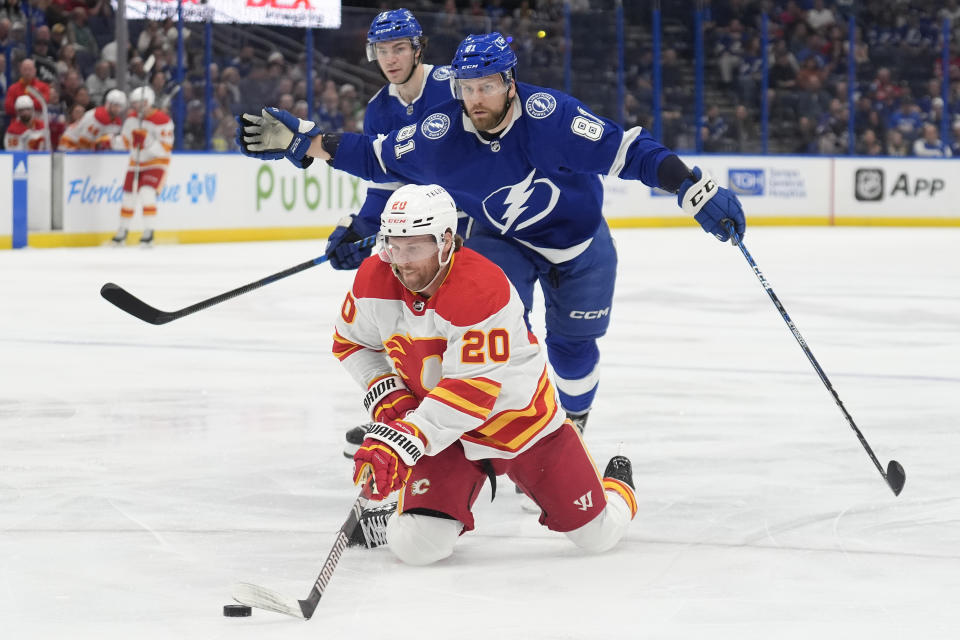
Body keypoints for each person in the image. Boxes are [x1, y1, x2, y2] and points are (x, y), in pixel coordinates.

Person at [237, 32, 746, 440]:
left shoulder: (554, 118)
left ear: (509, 82)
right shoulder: (440, 132)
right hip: (503, 242)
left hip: (580, 243)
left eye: (487, 86)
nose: (475, 98)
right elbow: (374, 156)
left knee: (573, 348)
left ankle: (572, 427)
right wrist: (302, 142)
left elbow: (632, 153)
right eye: (466, 86)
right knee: (499, 338)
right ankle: (493, 429)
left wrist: (693, 189)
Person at [334, 183, 637, 565]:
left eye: (416, 248)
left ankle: (618, 485)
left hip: (525, 427)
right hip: (448, 439)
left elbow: (471, 393)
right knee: (418, 548)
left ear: (447, 242)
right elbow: (352, 343)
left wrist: (404, 437)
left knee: (599, 535)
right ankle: (416, 512)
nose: (402, 261)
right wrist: (390, 399)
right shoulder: (374, 278)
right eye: (393, 245)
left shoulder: (481, 288)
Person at [323, 8, 457, 274]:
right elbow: (387, 186)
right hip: (423, 236)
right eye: (382, 51)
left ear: (418, 50)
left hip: (475, 221)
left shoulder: (453, 85)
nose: (390, 59)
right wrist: (362, 227)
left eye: (399, 49)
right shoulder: (377, 109)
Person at [112, 86, 173, 246]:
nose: (138, 106)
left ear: (149, 102)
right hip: (136, 162)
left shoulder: (163, 120)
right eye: (135, 103)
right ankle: (122, 230)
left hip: (156, 163)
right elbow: (125, 142)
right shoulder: (131, 119)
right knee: (128, 197)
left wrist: (147, 140)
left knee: (147, 193)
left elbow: (164, 150)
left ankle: (149, 232)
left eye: (141, 103)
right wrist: (111, 141)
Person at [58, 88, 126, 151]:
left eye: (120, 106)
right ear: (108, 104)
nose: (118, 109)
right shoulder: (94, 117)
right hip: (69, 145)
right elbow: (84, 143)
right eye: (116, 105)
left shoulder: (116, 122)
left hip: (86, 150)